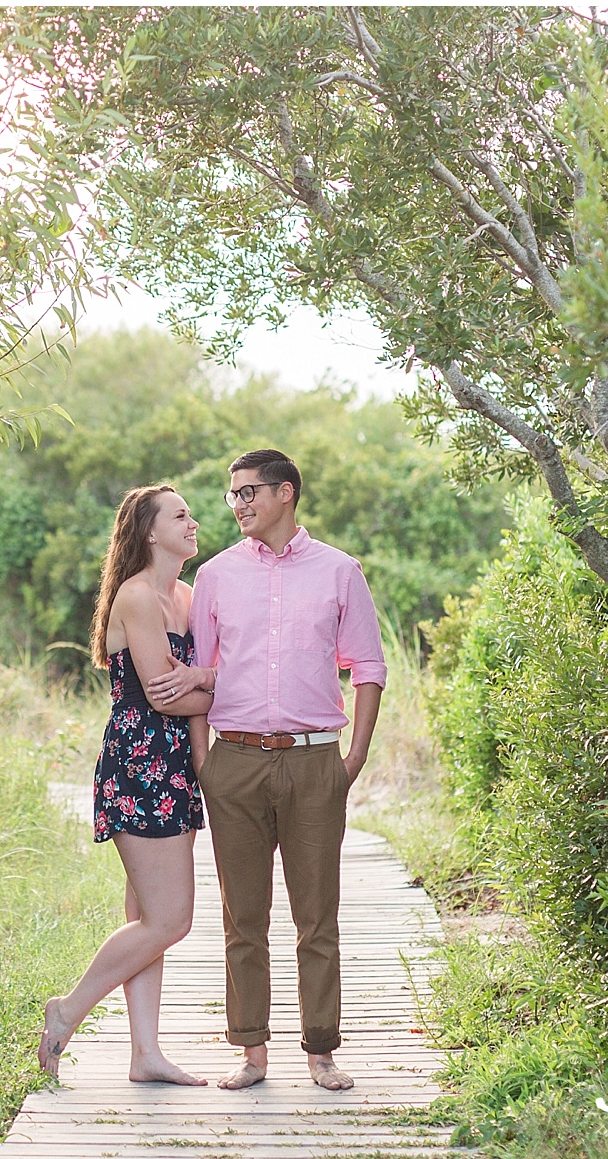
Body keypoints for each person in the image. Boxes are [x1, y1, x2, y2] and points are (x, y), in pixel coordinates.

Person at [146, 449, 385, 1093]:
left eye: (250, 492)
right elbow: (202, 672)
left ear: (287, 493)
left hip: (314, 763)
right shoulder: (219, 577)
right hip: (237, 763)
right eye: (233, 495)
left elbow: (368, 669)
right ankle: (251, 1051)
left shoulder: (340, 572)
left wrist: (353, 756)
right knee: (242, 918)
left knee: (318, 916)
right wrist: (205, 761)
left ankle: (321, 1051)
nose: (239, 504)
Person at [37, 484, 218, 1085]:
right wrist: (214, 684)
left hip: (176, 766)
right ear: (148, 531)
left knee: (146, 912)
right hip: (139, 765)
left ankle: (145, 1055)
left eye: (191, 513)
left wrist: (201, 683)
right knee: (170, 919)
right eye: (181, 515)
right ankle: (68, 1009)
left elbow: (186, 689)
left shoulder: (188, 597)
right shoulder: (138, 597)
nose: (194, 522)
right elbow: (164, 696)